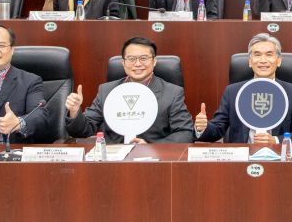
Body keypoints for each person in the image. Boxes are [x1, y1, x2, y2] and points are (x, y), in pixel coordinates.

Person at [66, 36, 195, 144]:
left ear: (154, 61)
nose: (137, 64)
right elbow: (83, 131)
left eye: (143, 58)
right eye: (131, 59)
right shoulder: (106, 91)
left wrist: (152, 147)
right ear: (123, 63)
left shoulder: (172, 93)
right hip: (113, 159)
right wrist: (74, 111)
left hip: (152, 159)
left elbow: (185, 133)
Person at [195, 34, 292, 144]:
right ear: (250, 61)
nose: (263, 60)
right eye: (257, 55)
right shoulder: (233, 92)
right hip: (242, 155)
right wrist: (203, 127)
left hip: (277, 154)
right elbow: (218, 129)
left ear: (279, 60)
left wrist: (275, 140)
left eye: (269, 54)